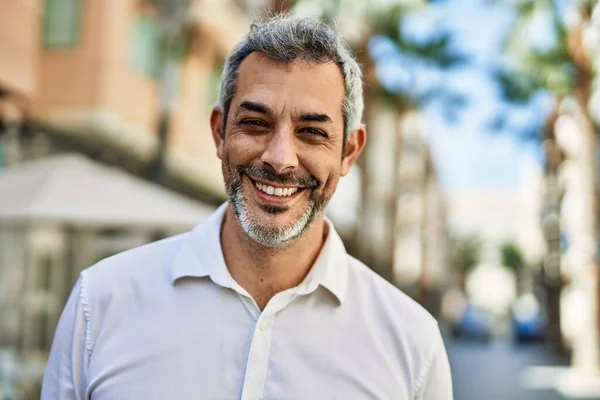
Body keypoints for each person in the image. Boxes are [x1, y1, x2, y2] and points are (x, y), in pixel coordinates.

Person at [42, 14, 453, 400]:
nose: (279, 158)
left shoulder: (412, 344)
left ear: (348, 151)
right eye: (256, 123)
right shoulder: (100, 302)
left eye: (311, 132)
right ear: (220, 132)